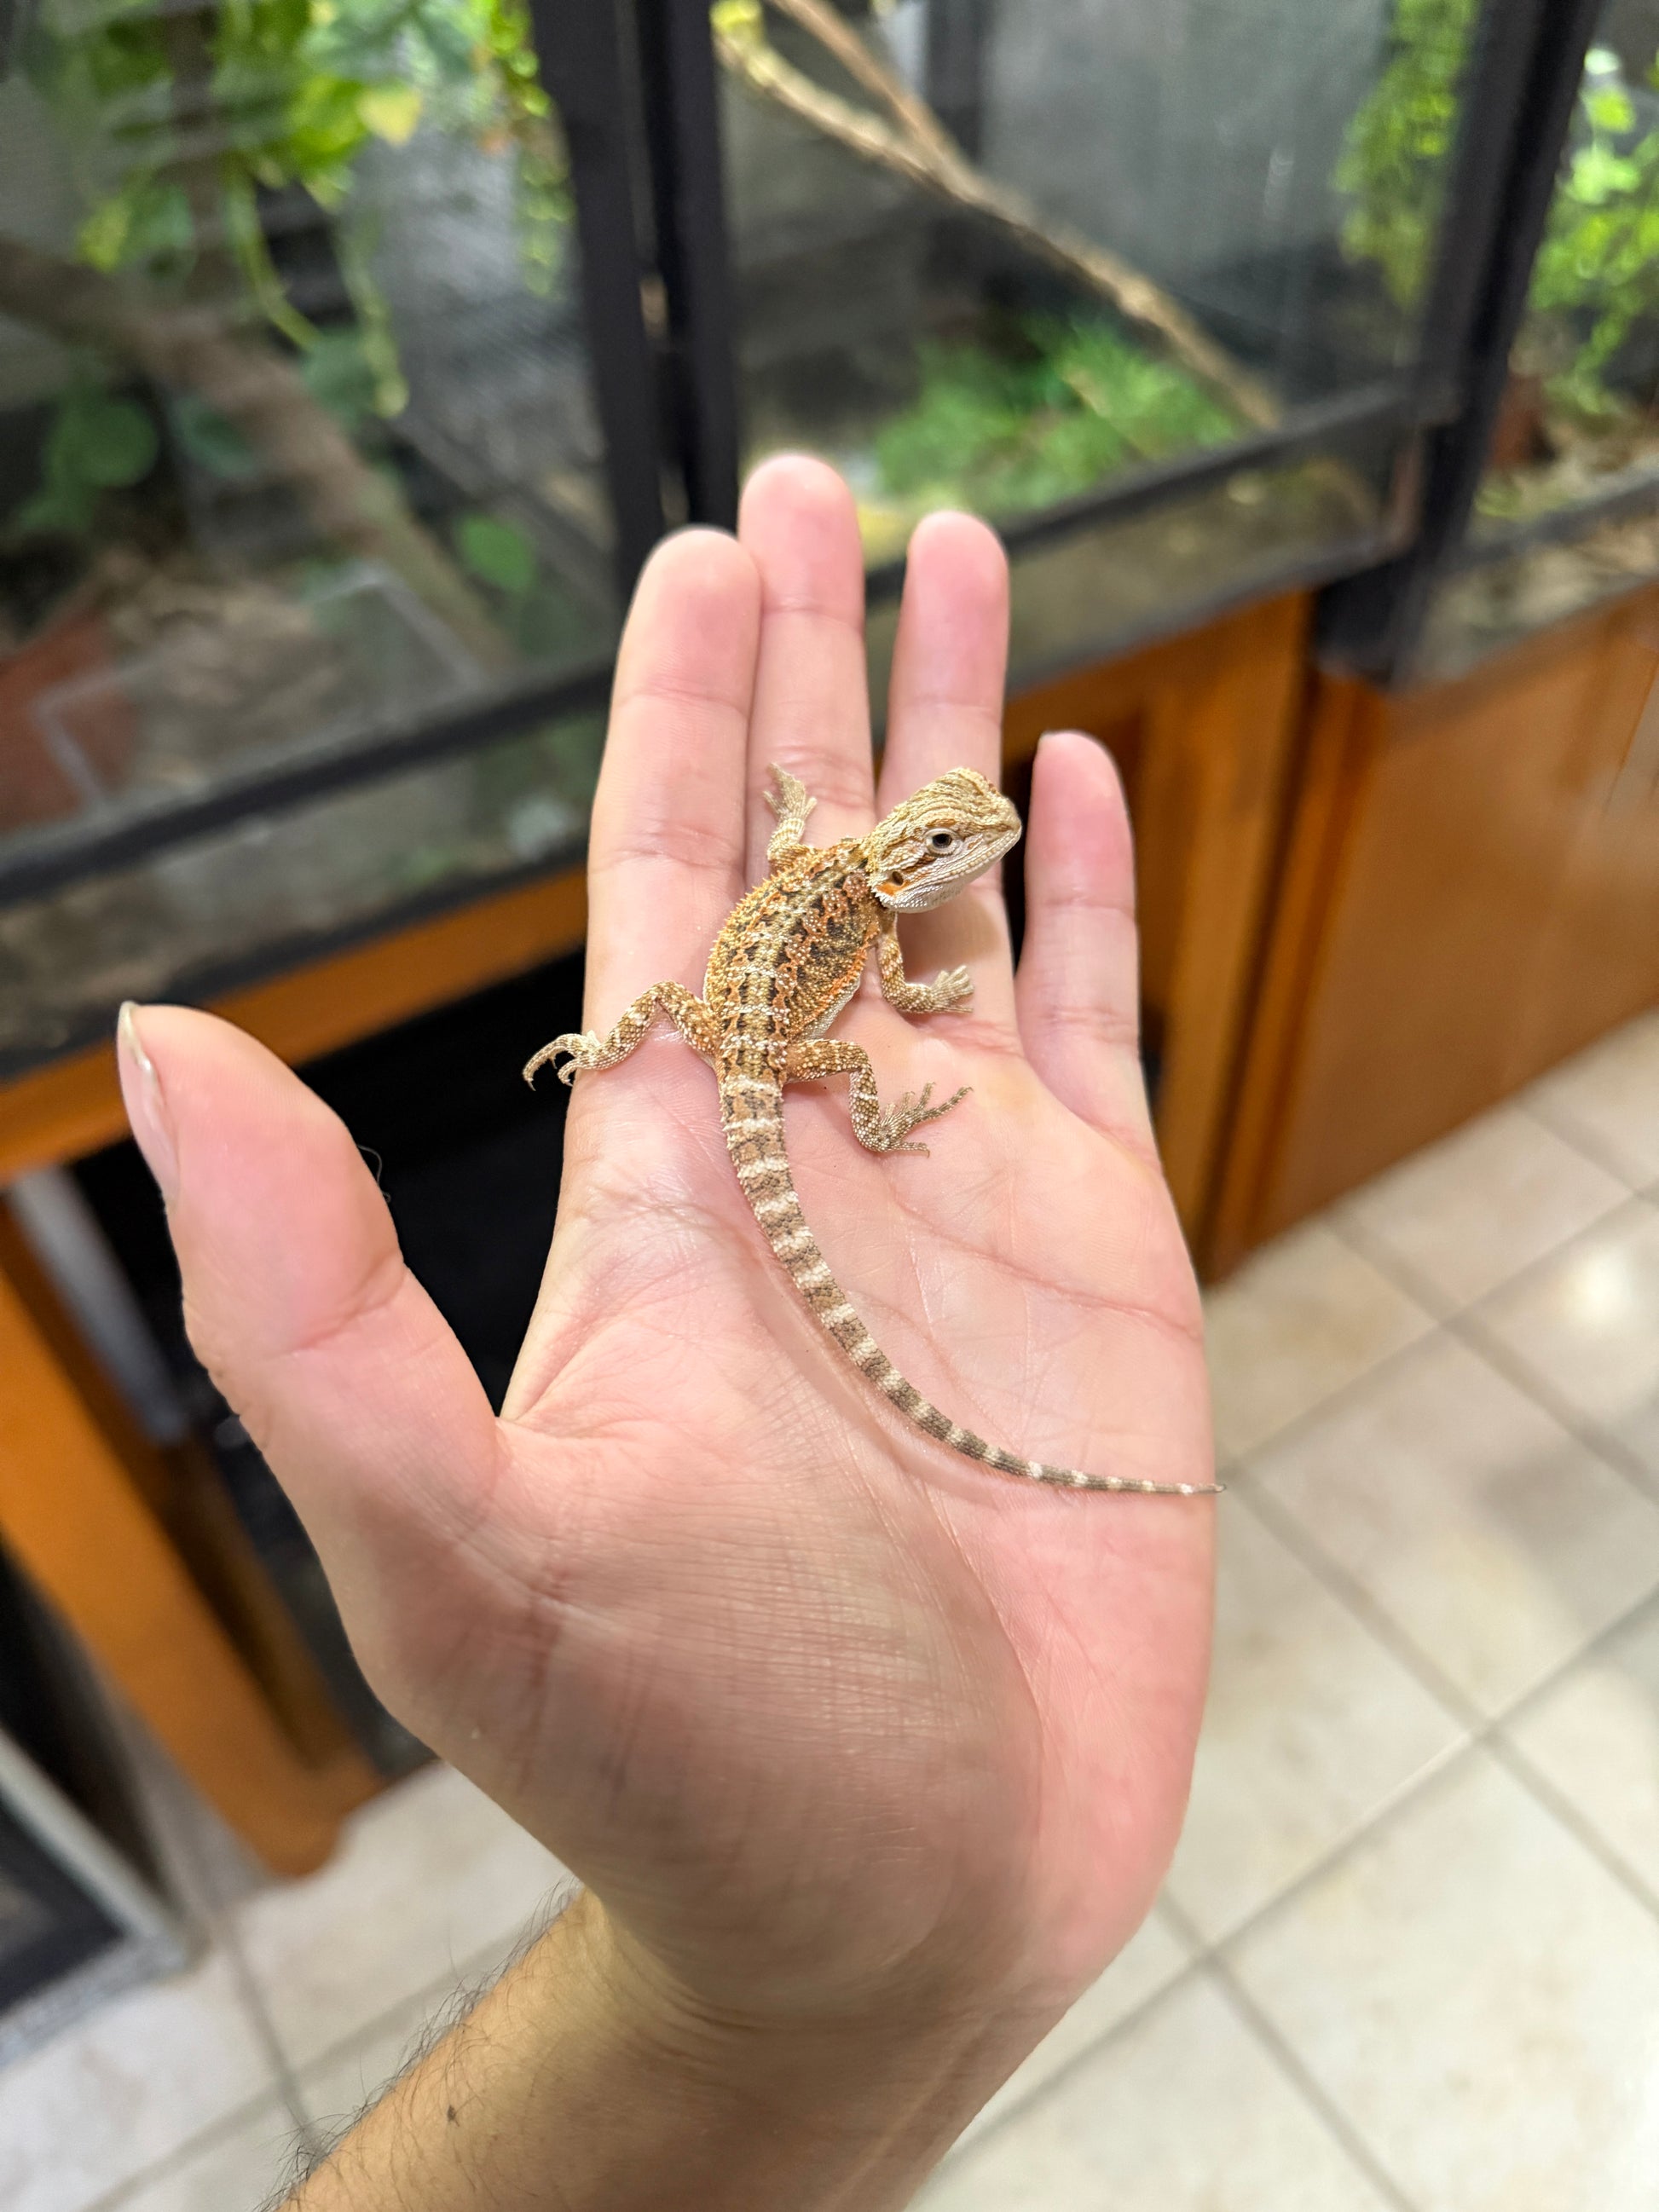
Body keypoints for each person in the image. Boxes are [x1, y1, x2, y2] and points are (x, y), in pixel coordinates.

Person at [115, 455, 1216, 2209]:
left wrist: (665, 1013)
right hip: (771, 1050)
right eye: (960, 841)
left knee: (683, 1011)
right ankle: (695, 1074)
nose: (978, 847)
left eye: (973, 836)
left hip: (707, 1020)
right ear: (917, 849)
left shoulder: (842, 874)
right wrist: (894, 1050)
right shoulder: (865, 903)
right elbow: (886, 970)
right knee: (807, 1060)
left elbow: (825, 880)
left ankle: (612, 1045)